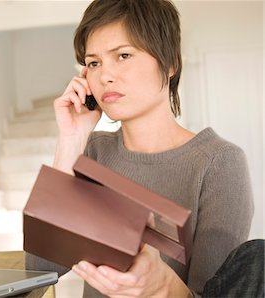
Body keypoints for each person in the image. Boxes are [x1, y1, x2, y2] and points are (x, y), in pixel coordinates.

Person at [25, 0, 254, 297]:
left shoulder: (219, 163)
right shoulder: (93, 151)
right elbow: (40, 269)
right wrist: (70, 139)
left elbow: (215, 293)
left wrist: (161, 284)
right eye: (94, 63)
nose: (105, 76)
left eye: (123, 55)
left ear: (170, 62)